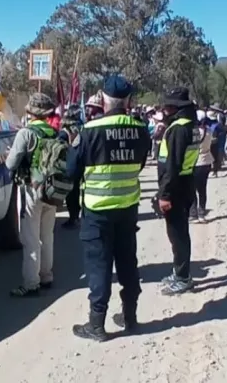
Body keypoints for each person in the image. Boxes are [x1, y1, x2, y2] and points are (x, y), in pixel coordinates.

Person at [68, 75, 150, 341]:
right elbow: (138, 165)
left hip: (97, 211)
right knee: (128, 264)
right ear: (127, 100)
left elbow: (71, 172)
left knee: (99, 267)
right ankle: (131, 317)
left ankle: (97, 325)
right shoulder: (140, 129)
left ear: (102, 99)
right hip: (127, 208)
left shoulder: (89, 131)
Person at [5, 92, 59, 297]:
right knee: (48, 235)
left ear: (30, 112)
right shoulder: (54, 133)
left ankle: (30, 283)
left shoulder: (26, 134)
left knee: (30, 239)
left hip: (31, 190)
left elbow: (11, 163)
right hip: (52, 190)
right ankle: (46, 276)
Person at [154, 87, 201, 295]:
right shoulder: (191, 126)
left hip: (176, 185)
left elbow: (172, 165)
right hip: (186, 182)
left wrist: (164, 195)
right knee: (179, 231)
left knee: (177, 233)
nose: (164, 109)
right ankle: (180, 272)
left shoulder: (178, 129)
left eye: (168, 106)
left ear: (176, 108)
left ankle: (183, 277)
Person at [59, 104, 84, 229]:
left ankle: (73, 218)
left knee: (70, 193)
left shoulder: (64, 133)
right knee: (76, 192)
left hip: (69, 164)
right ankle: (76, 216)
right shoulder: (81, 129)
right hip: (81, 165)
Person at [190, 110, 213, 223]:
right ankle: (201, 213)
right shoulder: (209, 131)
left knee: (192, 189)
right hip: (207, 160)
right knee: (202, 189)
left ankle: (193, 214)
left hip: (196, 161)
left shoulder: (194, 132)